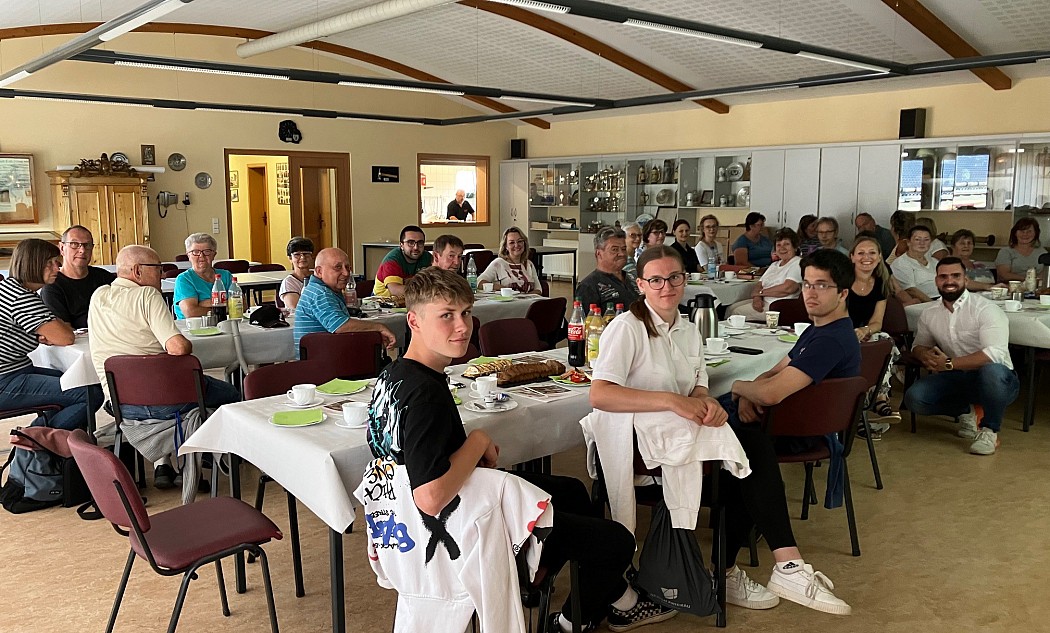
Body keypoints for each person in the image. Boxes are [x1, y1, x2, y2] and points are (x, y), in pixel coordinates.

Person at [366, 267, 673, 632]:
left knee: (572, 492)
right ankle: (569, 622)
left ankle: (579, 586)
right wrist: (477, 440)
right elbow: (430, 497)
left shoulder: (396, 375)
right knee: (617, 543)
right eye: (446, 316)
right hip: (458, 528)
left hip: (408, 518)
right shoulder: (425, 395)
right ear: (414, 321)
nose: (462, 326)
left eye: (465, 313)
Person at [591, 246, 852, 616]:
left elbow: (698, 384)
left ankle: (735, 570)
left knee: (743, 458)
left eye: (675, 278)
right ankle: (782, 565)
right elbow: (600, 394)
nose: (667, 287)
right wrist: (672, 401)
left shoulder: (687, 328)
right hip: (635, 437)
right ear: (641, 285)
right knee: (749, 448)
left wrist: (705, 400)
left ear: (685, 279)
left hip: (678, 428)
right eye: (656, 280)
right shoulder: (626, 328)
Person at [89, 245, 240, 488]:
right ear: (137, 271)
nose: (161, 275)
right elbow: (178, 348)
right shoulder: (148, 295)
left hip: (120, 404)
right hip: (164, 401)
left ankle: (172, 460)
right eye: (157, 269)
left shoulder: (98, 296)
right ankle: (205, 459)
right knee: (231, 393)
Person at [904, 257, 1019, 455]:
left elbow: (994, 354)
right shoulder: (930, 313)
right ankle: (968, 411)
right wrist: (925, 355)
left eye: (956, 276)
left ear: (965, 280)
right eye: (943, 276)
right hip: (957, 376)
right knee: (915, 399)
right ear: (936, 281)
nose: (949, 281)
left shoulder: (985, 309)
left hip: (998, 380)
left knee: (992, 371)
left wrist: (947, 363)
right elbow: (918, 345)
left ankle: (989, 430)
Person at [0, 239, 102, 431]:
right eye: (51, 262)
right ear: (33, 263)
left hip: (15, 371)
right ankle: (36, 441)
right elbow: (66, 337)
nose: (58, 266)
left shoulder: (12, 288)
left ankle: (42, 439)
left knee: (76, 380)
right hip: (6, 380)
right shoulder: (21, 297)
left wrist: (50, 330)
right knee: (90, 395)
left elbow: (59, 329)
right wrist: (49, 331)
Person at [294, 248, 396, 357]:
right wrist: (379, 327)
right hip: (323, 367)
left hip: (326, 360)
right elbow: (340, 326)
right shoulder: (320, 293)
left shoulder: (324, 290)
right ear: (319, 271)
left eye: (347, 267)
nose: (346, 273)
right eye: (338, 267)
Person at [848, 236, 905, 427]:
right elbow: (838, 317)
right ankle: (874, 402)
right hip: (842, 331)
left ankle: (879, 397)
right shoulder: (842, 282)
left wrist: (864, 330)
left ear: (880, 257)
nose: (867, 257)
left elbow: (877, 322)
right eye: (861, 253)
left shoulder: (880, 282)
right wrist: (854, 333)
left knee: (884, 341)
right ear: (852, 257)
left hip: (867, 332)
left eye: (872, 253)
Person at [39, 225, 115, 329]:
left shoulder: (104, 277)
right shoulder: (52, 286)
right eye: (74, 244)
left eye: (87, 245)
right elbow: (65, 330)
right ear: (62, 248)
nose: (82, 250)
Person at [727, 228, 802, 319]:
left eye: (786, 244)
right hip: (764, 300)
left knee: (736, 313)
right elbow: (759, 284)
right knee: (730, 308)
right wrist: (757, 298)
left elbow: (788, 288)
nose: (782, 248)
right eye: (778, 245)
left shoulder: (797, 263)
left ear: (795, 247)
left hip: (779, 306)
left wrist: (760, 293)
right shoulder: (775, 265)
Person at [575, 227, 638, 314]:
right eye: (614, 249)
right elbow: (587, 323)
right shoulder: (589, 286)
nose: (622, 254)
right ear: (599, 253)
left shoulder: (632, 278)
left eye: (623, 249)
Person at [173, 233, 232, 319]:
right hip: (192, 328)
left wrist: (202, 304)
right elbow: (191, 312)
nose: (201, 256)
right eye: (195, 252)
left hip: (224, 324)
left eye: (207, 251)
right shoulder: (184, 279)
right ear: (188, 256)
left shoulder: (226, 275)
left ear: (214, 254)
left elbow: (241, 305)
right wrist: (224, 306)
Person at [477, 227, 541, 294]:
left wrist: (524, 298)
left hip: (527, 303)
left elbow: (538, 290)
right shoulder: (498, 264)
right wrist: (502, 288)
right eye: (511, 243)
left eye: (520, 241)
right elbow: (478, 283)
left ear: (524, 243)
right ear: (506, 246)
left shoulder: (529, 264)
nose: (516, 245)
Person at [374, 226, 433, 298]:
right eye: (410, 243)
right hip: (383, 302)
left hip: (412, 300)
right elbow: (395, 290)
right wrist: (427, 292)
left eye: (420, 243)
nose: (416, 247)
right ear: (401, 245)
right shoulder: (392, 260)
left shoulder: (427, 257)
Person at [891, 225, 941, 302]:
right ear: (908, 242)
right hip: (923, 302)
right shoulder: (901, 263)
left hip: (943, 298)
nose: (922, 243)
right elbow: (911, 290)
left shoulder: (934, 261)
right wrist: (933, 303)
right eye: (917, 239)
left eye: (926, 240)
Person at [995, 217, 1047, 282]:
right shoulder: (1005, 252)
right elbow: (1004, 275)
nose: (1025, 234)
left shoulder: (1042, 252)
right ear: (1015, 233)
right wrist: (1028, 280)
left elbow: (1046, 273)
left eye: (1029, 231)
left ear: (1036, 233)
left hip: (1037, 289)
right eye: (1022, 231)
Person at [279, 236, 314, 311]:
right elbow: (295, 309)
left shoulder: (318, 276)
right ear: (290, 258)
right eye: (297, 254)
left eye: (306, 254)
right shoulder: (289, 282)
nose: (302, 258)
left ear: (311, 256)